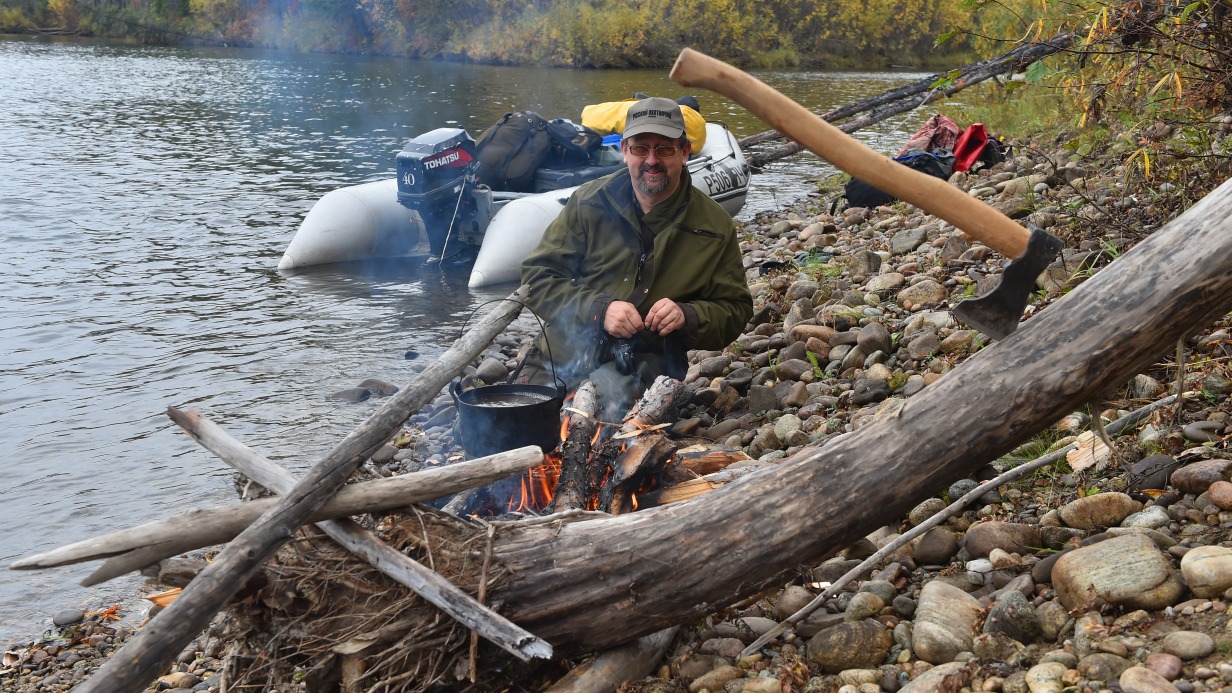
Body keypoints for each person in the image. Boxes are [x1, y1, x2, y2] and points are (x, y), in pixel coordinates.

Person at [520, 96, 752, 411]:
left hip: (645, 365)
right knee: (500, 427)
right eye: (641, 148)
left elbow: (735, 310)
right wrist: (599, 310)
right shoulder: (588, 202)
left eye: (665, 149)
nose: (652, 160)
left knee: (593, 429)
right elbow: (538, 278)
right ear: (624, 150)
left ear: (684, 153)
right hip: (561, 351)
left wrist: (687, 315)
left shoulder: (715, 225)